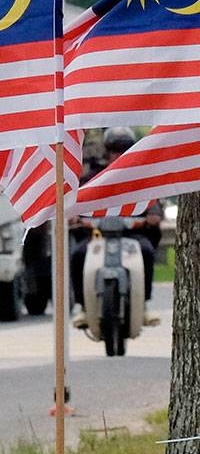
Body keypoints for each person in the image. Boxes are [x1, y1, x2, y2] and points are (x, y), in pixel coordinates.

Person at [70, 126, 160, 328]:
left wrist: (153, 216)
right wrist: (74, 216)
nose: (118, 155)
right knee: (78, 254)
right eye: (114, 149)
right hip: (97, 235)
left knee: (146, 251)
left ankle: (144, 304)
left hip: (132, 235)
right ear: (107, 151)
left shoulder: (140, 177)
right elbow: (77, 201)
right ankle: (81, 306)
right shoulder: (93, 177)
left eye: (124, 149)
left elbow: (153, 203)